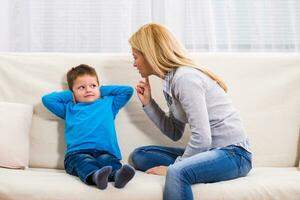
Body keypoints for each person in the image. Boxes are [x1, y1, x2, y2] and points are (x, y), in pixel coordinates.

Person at [129, 23, 252, 200]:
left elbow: (202, 138)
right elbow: (174, 133)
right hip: (208, 151)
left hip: (233, 154)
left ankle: (181, 168)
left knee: (177, 173)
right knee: (140, 156)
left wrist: (172, 168)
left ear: (150, 55)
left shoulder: (185, 79)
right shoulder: (170, 82)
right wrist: (149, 103)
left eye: (136, 57)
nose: (134, 63)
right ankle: (189, 166)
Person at [42, 64, 135, 190]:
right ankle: (95, 176)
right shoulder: (69, 108)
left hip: (105, 152)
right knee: (84, 162)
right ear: (73, 91)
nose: (88, 90)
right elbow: (47, 100)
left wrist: (101, 90)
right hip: (77, 153)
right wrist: (71, 95)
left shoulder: (108, 104)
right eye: (81, 87)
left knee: (109, 161)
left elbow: (127, 91)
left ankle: (118, 176)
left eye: (93, 86)